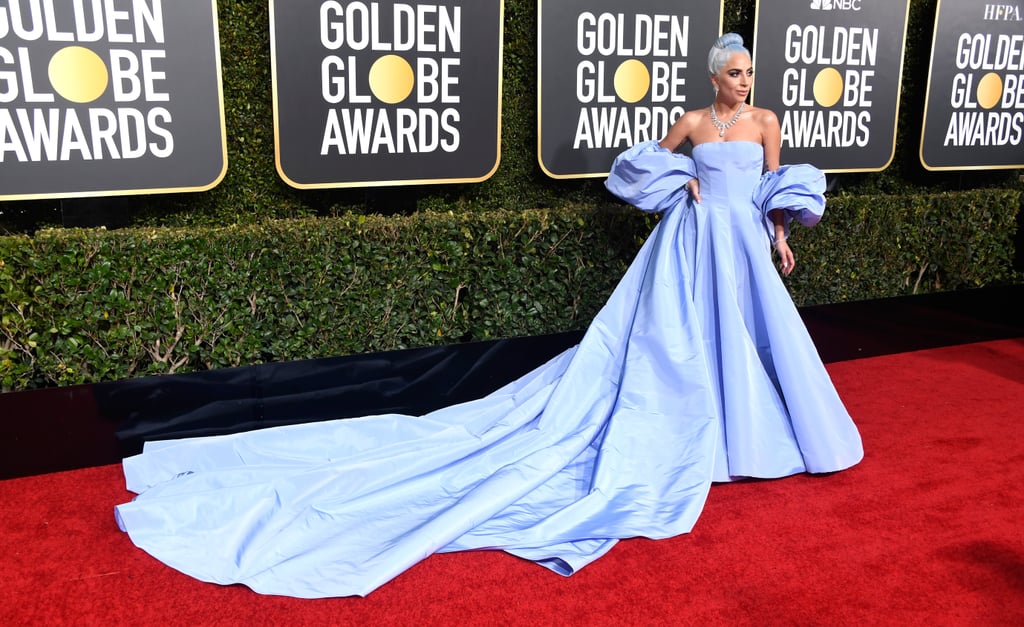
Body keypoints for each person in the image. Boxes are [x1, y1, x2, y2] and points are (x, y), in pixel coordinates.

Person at [114, 33, 862, 599]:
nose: (744, 81)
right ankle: (697, 438)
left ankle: (744, 437)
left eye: (749, 73)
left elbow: (771, 188)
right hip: (691, 244)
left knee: (745, 341)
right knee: (680, 344)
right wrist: (681, 183)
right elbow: (638, 165)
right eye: (734, 72)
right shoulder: (693, 120)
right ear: (712, 75)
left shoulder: (765, 121)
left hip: (742, 246)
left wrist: (780, 236)